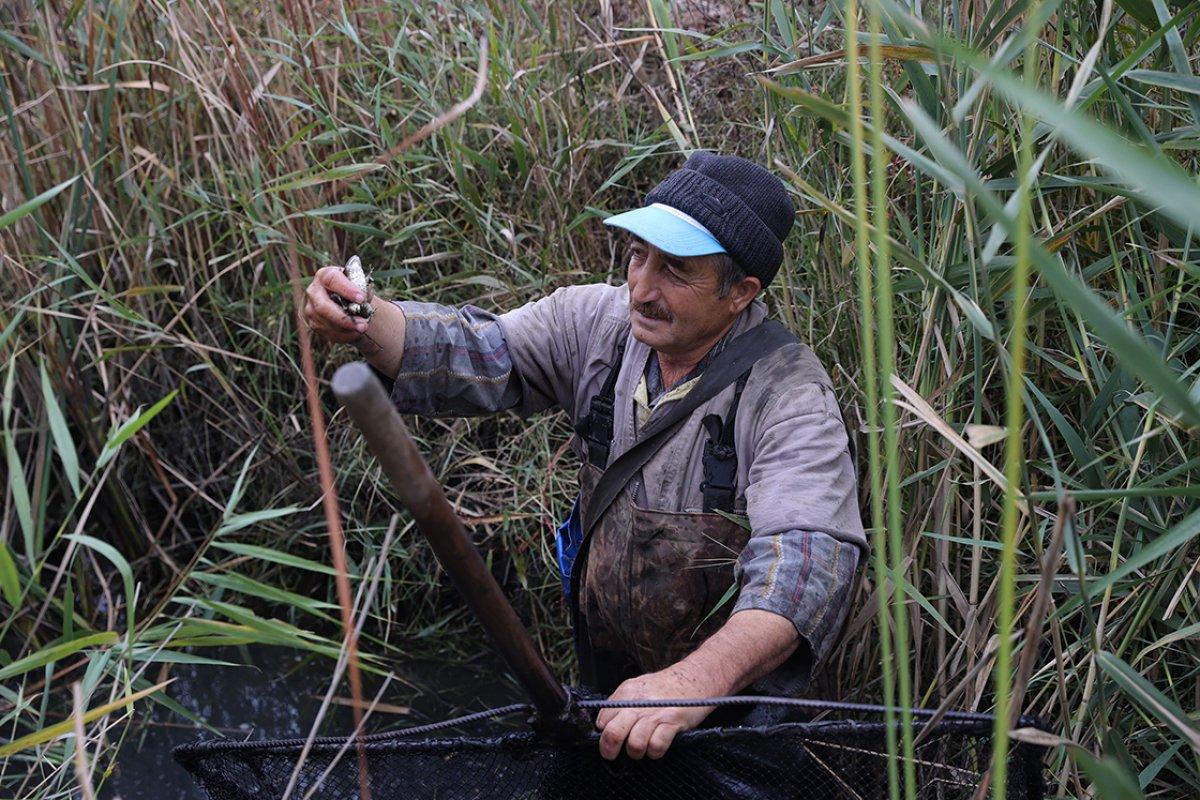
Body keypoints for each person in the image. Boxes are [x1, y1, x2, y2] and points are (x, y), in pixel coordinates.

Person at [304, 151, 867, 762]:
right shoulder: (594, 324)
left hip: (734, 714)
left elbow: (809, 565)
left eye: (675, 270)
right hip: (611, 683)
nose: (642, 288)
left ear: (740, 294)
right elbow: (479, 350)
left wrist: (695, 682)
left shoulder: (790, 396)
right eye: (637, 255)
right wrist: (362, 318)